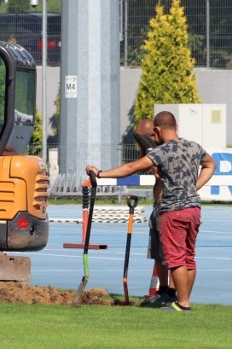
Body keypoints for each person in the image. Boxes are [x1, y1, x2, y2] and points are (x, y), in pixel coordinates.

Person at [86, 111, 216, 312]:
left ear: (157, 130)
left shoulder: (162, 151)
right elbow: (210, 164)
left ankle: (183, 304)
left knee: (175, 259)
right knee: (189, 257)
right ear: (176, 127)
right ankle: (183, 301)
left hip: (173, 210)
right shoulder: (193, 146)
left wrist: (101, 174)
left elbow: (132, 167)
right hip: (194, 209)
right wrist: (193, 187)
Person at [134, 118, 176, 307]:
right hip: (158, 205)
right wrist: (145, 150)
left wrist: (151, 154)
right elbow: (140, 167)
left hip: (170, 205)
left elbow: (161, 175)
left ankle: (174, 293)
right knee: (158, 252)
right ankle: (163, 290)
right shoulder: (153, 151)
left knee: (172, 254)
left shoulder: (166, 151)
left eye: (142, 139)